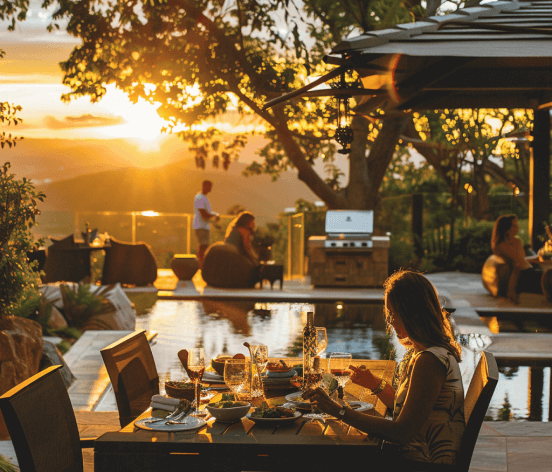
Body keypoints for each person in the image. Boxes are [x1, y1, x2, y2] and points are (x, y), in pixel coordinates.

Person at [304, 269, 465, 467]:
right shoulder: (427, 351)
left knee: (322, 456)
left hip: (420, 464)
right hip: (415, 458)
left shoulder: (430, 361)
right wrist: (374, 384)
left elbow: (401, 432)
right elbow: (407, 408)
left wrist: (338, 411)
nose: (390, 321)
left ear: (412, 313)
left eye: (393, 314)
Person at [491, 214, 552, 302]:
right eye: (515, 225)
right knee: (546, 277)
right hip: (522, 276)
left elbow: (521, 260)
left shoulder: (517, 241)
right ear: (506, 228)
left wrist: (538, 258)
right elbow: (518, 263)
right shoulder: (501, 246)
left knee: (546, 273)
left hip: (527, 271)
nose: (517, 227)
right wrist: (511, 290)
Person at [193, 180, 219, 269]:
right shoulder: (199, 197)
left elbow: (206, 213)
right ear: (204, 186)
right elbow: (204, 213)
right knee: (203, 246)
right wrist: (214, 215)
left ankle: (201, 265)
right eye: (209, 186)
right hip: (200, 226)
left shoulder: (204, 198)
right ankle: (201, 266)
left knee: (204, 245)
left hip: (204, 226)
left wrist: (213, 215)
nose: (210, 189)